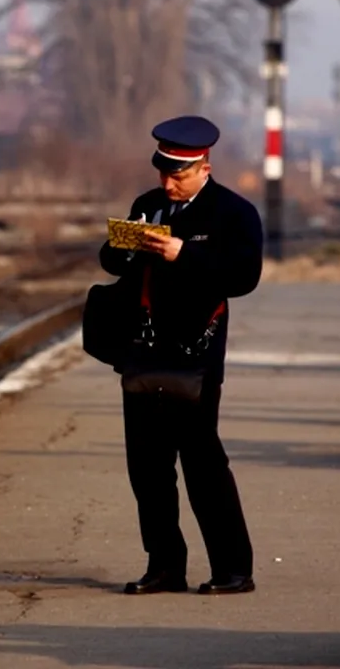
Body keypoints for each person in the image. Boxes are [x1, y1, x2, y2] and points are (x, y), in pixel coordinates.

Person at [97, 115, 264, 596]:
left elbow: (243, 276)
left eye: (178, 175)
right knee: (146, 466)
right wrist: (126, 246)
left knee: (202, 461)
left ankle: (234, 568)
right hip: (144, 353)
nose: (168, 183)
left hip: (197, 355)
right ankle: (165, 565)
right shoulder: (148, 206)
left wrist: (181, 254)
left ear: (203, 167)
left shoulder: (234, 212)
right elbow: (111, 260)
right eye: (163, 173)